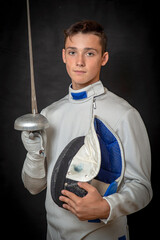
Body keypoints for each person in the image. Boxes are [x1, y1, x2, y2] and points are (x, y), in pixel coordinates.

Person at [21, 20, 152, 240]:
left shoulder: (124, 114)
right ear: (64, 55)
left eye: (90, 54)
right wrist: (35, 155)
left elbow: (142, 188)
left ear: (104, 58)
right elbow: (33, 187)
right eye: (73, 52)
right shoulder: (49, 114)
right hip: (53, 234)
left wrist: (105, 207)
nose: (79, 62)